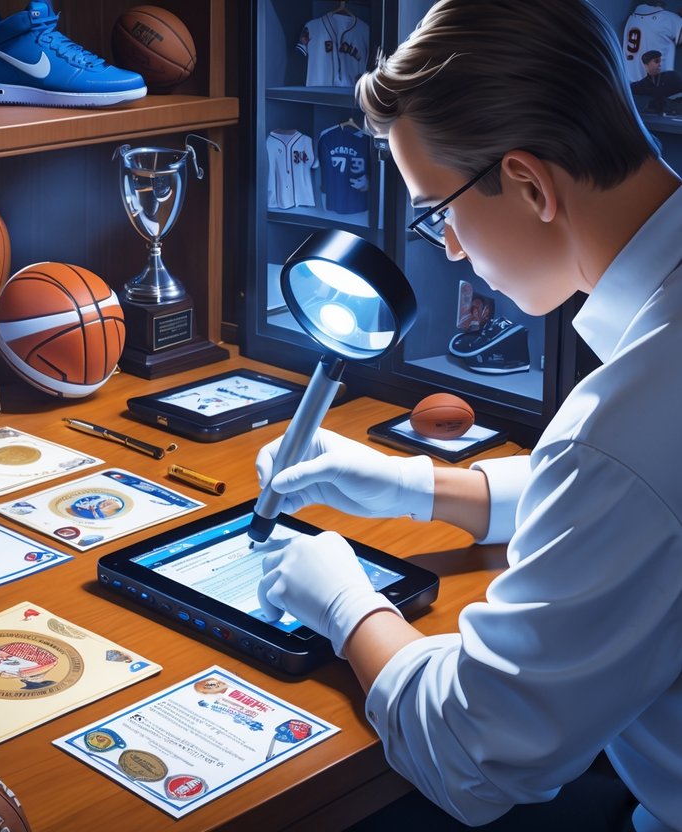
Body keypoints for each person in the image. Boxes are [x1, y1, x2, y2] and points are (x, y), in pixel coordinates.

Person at [253, 2, 682, 830]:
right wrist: (409, 486)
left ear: (526, 183)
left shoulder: (628, 421)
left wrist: (346, 606)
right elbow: (642, 510)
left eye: (435, 209)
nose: (446, 247)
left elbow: (472, 758)